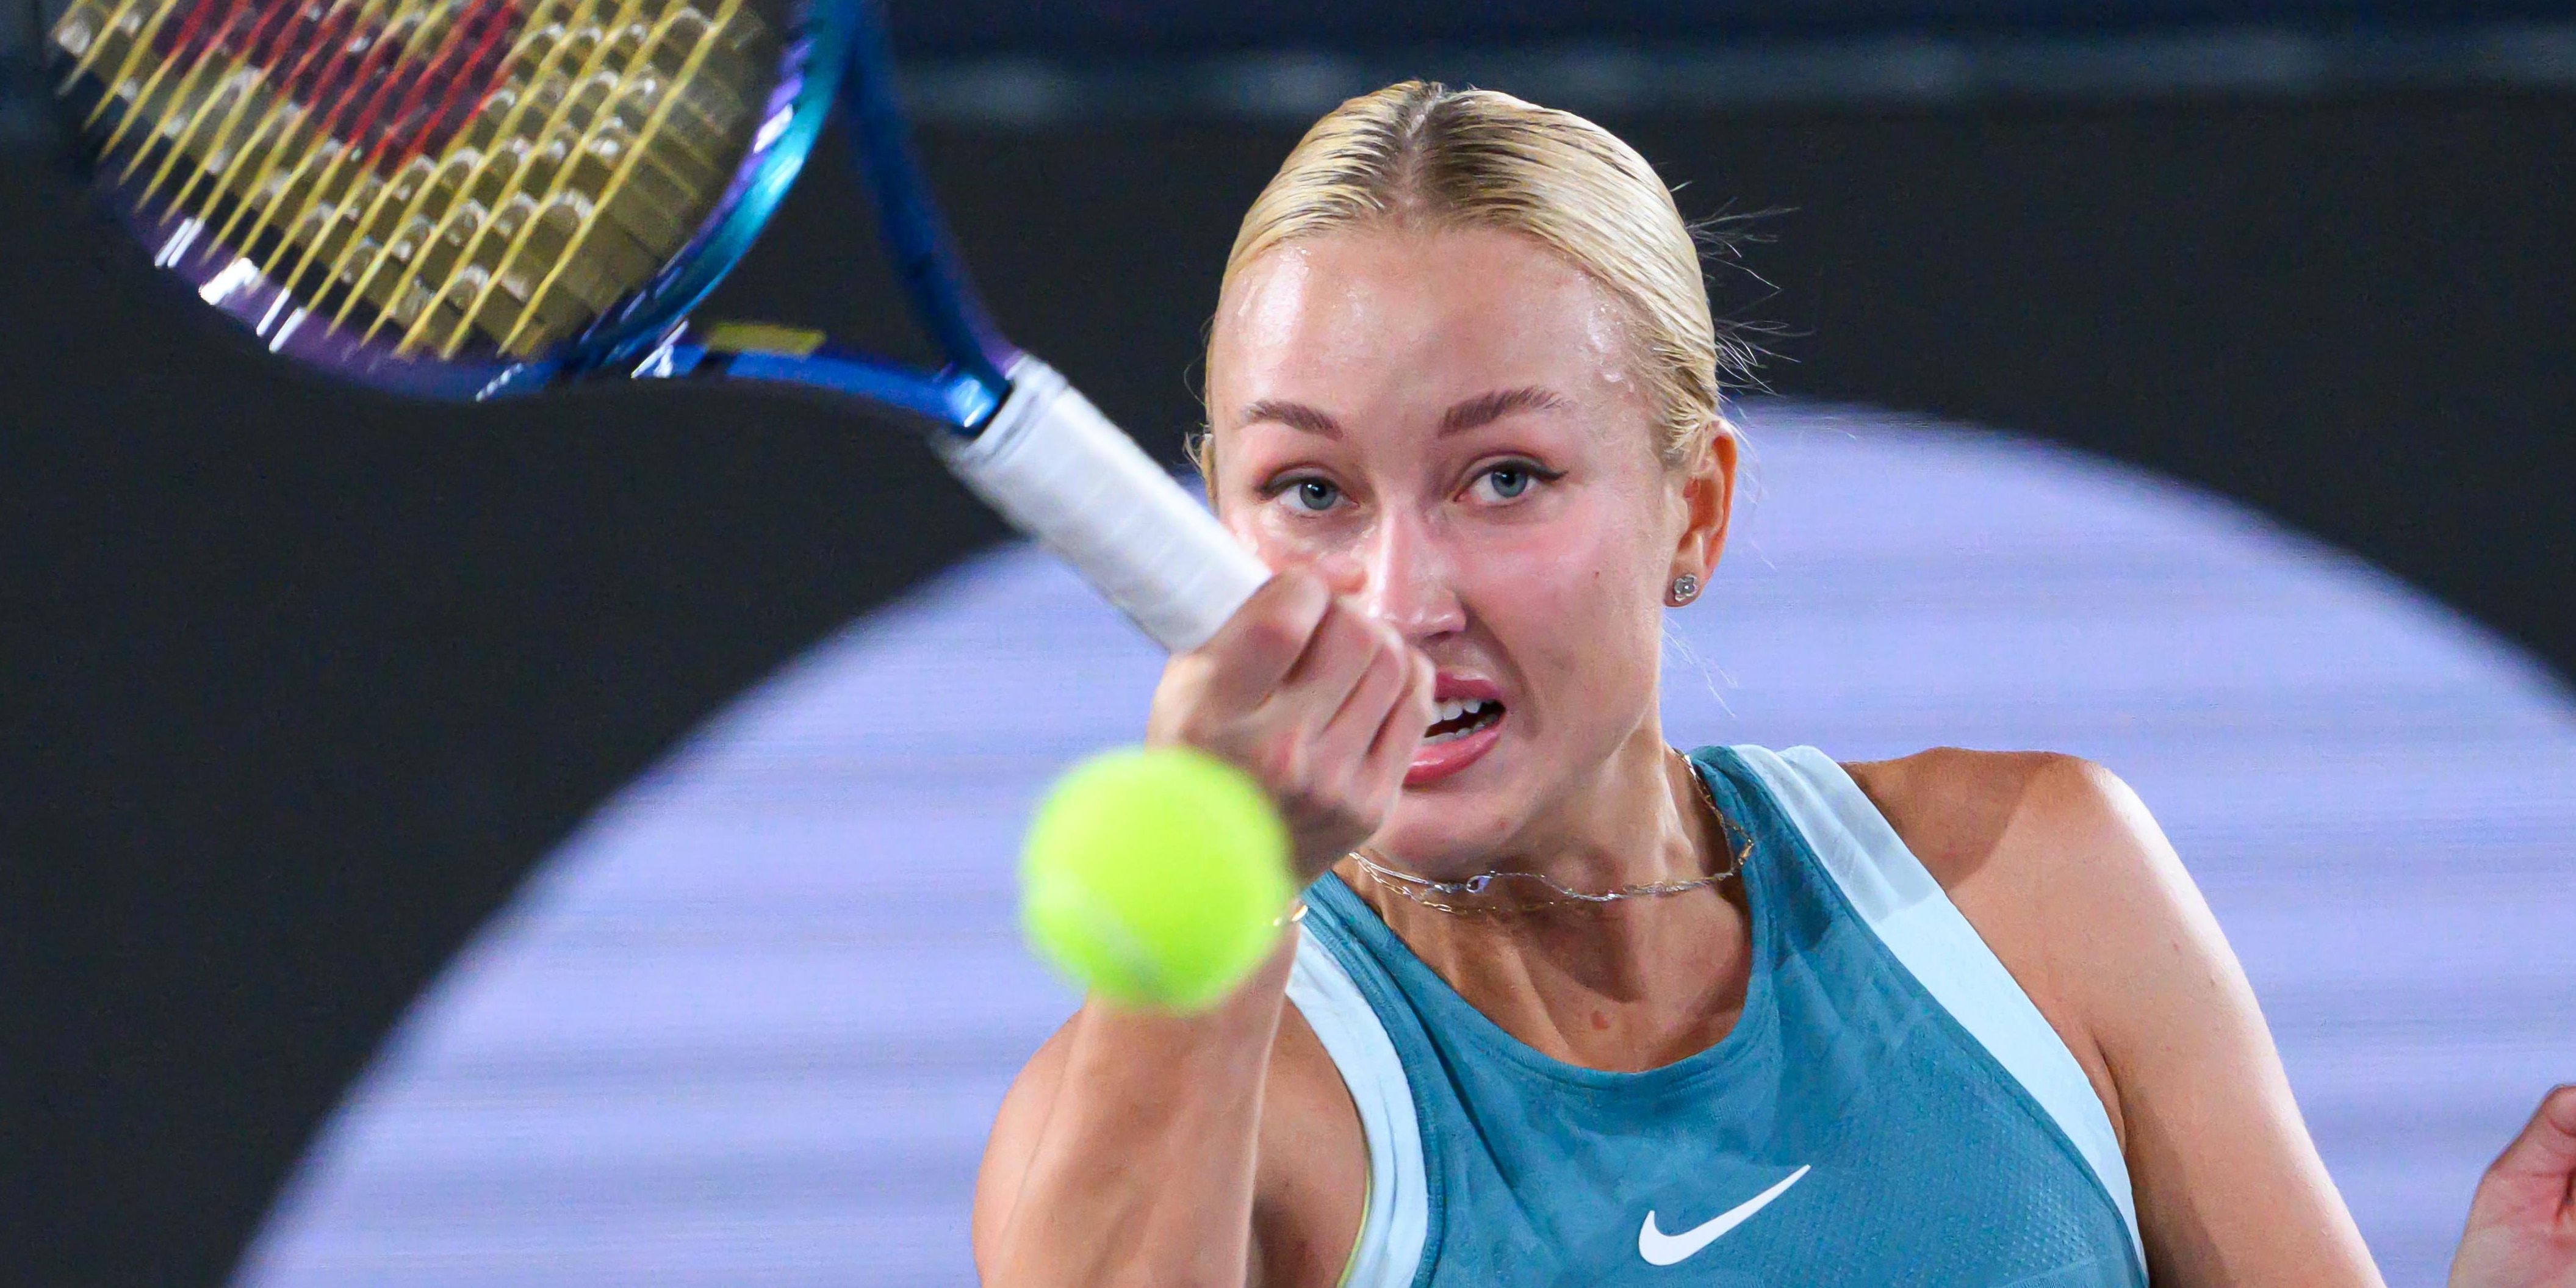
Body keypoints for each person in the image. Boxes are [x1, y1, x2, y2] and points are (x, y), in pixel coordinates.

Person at [970, 81, 2575, 1287]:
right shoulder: (1186, 1110)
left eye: (1505, 476)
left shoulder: (2043, 887)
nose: (1400, 602)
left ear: (1697, 508)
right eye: (1312, 492)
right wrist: (1224, 887)